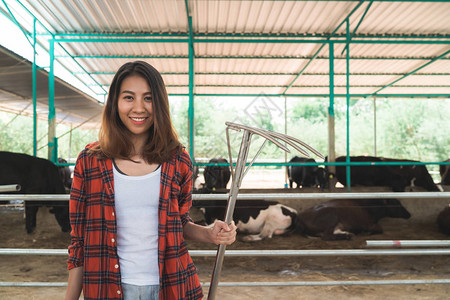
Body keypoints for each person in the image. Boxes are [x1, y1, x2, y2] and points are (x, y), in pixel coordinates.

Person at [65, 61, 237, 300]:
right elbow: (79, 241)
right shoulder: (90, 162)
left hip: (172, 286)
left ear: (160, 103)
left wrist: (210, 234)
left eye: (148, 98)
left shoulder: (178, 160)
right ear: (115, 103)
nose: (139, 108)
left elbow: (179, 222)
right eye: (128, 98)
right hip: (106, 287)